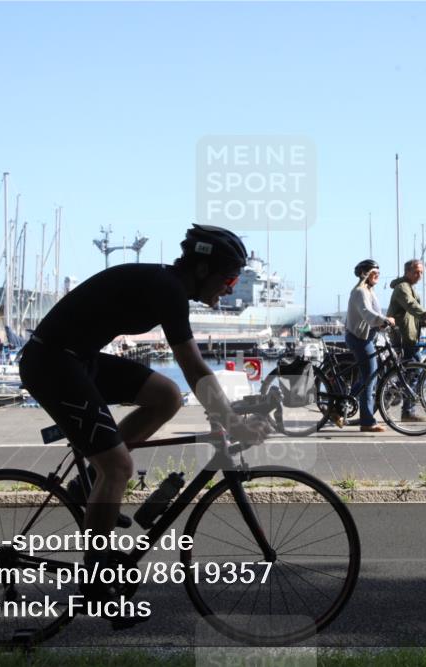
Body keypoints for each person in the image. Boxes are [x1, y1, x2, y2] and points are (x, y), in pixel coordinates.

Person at [19, 224, 267, 602]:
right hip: (51, 363)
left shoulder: (168, 286)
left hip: (76, 359)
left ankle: (85, 481)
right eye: (229, 277)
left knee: (167, 396)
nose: (231, 287)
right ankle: (96, 581)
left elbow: (190, 375)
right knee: (118, 468)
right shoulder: (167, 288)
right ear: (203, 270)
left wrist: (223, 413)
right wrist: (231, 420)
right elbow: (193, 366)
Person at [345, 260, 395, 432]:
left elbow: (375, 314)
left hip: (366, 338)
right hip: (359, 339)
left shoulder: (369, 291)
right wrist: (384, 320)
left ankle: (340, 407)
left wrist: (383, 322)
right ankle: (367, 422)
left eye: (378, 274)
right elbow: (367, 313)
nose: (377, 276)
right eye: (374, 273)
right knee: (370, 380)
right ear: (365, 274)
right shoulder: (360, 292)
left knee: (368, 376)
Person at [388, 259, 426, 421]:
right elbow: (412, 307)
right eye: (417, 272)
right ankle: (405, 408)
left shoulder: (410, 288)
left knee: (412, 372)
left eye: (421, 273)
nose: (420, 275)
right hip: (403, 338)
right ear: (408, 272)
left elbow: (413, 315)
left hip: (409, 337)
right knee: (415, 371)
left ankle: (396, 395)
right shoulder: (402, 288)